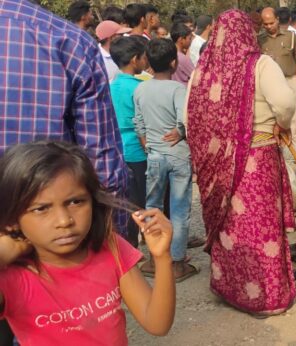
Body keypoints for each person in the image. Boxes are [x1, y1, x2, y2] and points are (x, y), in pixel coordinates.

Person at [0, 141, 175, 344]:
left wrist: (162, 257)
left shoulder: (110, 246)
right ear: (13, 218)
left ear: (92, 201)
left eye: (75, 202)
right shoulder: (11, 275)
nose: (64, 221)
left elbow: (157, 324)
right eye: (41, 209)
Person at [186, 9, 296, 316]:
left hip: (217, 166)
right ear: (249, 32)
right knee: (261, 226)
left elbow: (190, 118)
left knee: (231, 227)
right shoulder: (260, 64)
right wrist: (282, 125)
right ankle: (267, 295)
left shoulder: (202, 72)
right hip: (257, 161)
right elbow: (285, 103)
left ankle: (230, 288)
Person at [0, 0, 130, 239]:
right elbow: (101, 160)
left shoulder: (69, 41)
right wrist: (112, 239)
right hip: (49, 234)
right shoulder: (68, 41)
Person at [133, 38, 197, 282]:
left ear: (148, 62)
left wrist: (146, 141)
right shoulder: (177, 89)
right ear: (173, 63)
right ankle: (177, 263)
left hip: (154, 155)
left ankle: (154, 258)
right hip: (178, 155)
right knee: (179, 209)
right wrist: (180, 131)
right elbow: (186, 119)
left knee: (153, 207)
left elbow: (138, 121)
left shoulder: (141, 89)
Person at [110, 36, 149, 249]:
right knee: (142, 200)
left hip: (119, 148)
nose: (146, 61)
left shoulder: (111, 85)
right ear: (135, 59)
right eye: (143, 57)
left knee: (126, 201)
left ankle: (130, 245)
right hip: (138, 149)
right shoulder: (139, 87)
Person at [260, 8, 296, 165]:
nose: (269, 26)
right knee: (275, 120)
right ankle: (279, 156)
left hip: (290, 82)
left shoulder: (290, 37)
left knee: (294, 119)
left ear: (278, 19)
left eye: (271, 23)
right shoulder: (260, 40)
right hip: (270, 86)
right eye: (265, 24)